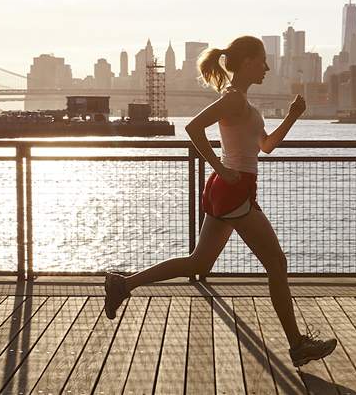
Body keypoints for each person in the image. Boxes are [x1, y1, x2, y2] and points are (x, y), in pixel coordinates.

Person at [104, 35, 337, 367]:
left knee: (199, 263)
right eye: (262, 60)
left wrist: (293, 116)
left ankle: (123, 284)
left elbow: (266, 145)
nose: (267, 67)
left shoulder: (244, 103)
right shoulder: (233, 101)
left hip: (232, 190)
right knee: (277, 264)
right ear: (246, 63)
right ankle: (298, 345)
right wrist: (219, 168)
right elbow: (194, 128)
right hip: (234, 189)